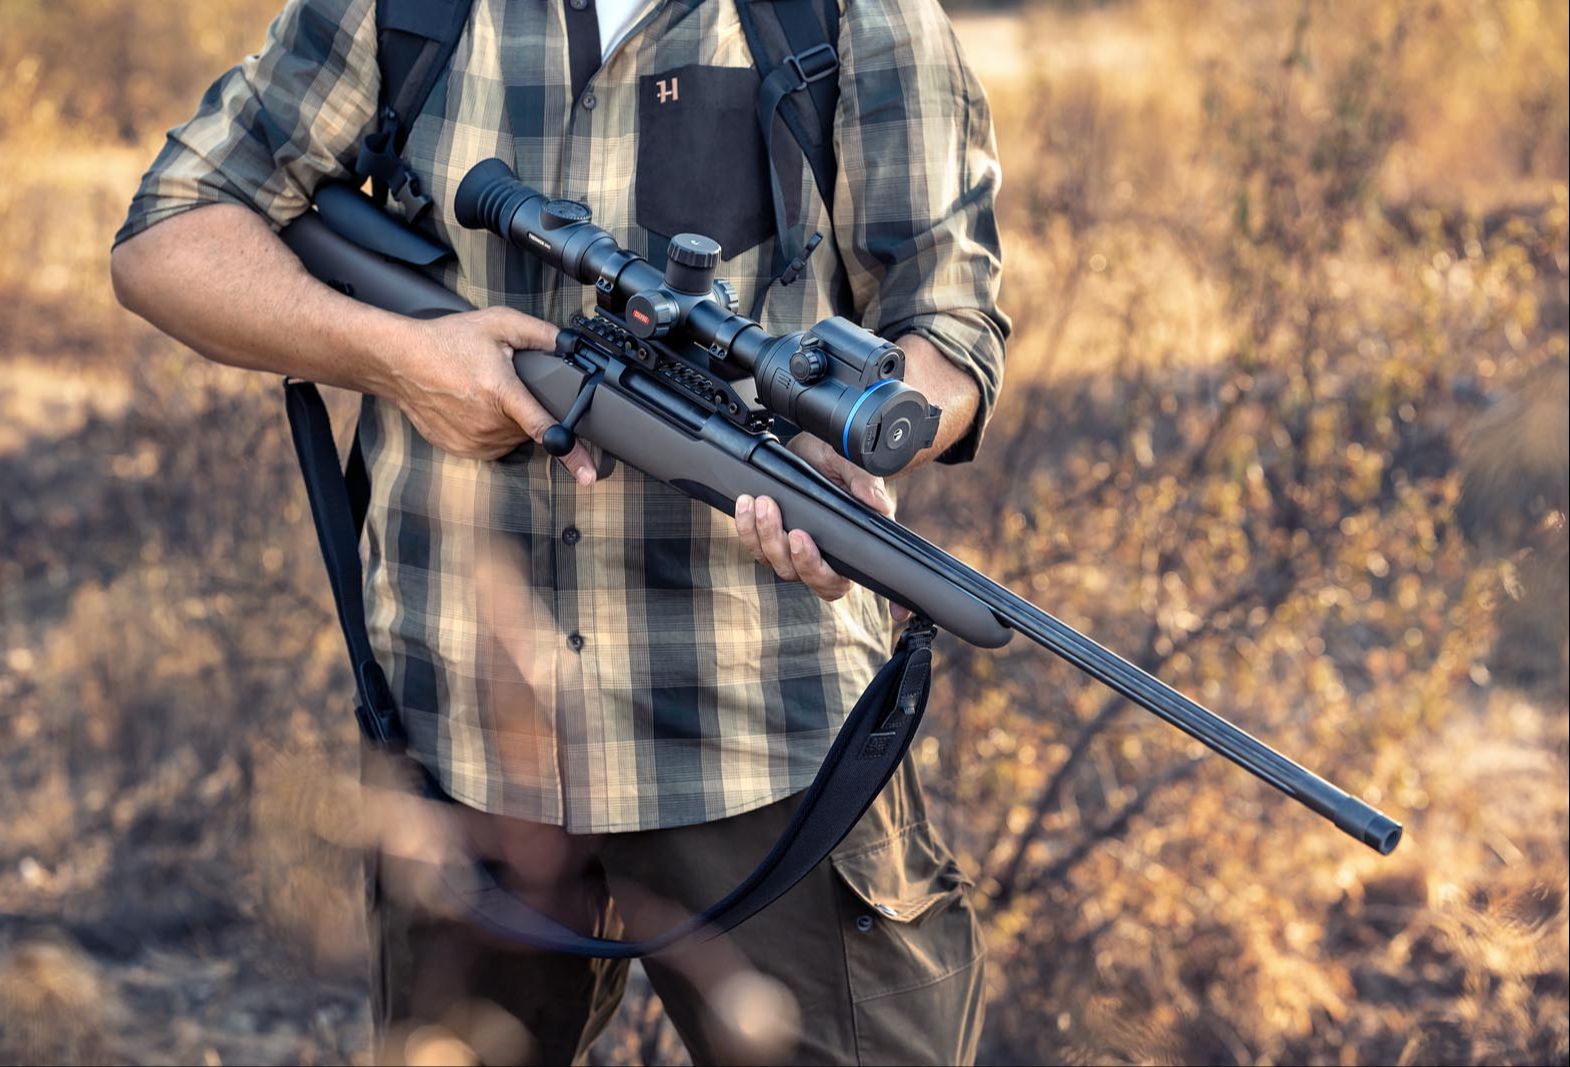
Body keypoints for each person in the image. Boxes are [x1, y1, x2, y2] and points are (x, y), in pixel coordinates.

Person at [111, 0, 1008, 1062]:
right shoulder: (409, 12)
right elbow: (170, 234)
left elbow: (948, 324)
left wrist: (864, 435)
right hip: (462, 730)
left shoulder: (854, 17)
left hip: (764, 723)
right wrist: (397, 356)